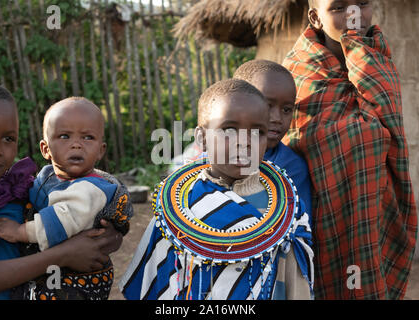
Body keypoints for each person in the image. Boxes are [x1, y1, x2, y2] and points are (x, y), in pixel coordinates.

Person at [119, 79, 313, 300]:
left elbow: (296, 282)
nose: (244, 142)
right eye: (229, 129)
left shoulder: (286, 205)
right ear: (202, 137)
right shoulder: (179, 206)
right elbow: (159, 277)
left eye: (257, 131)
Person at [281, 0, 418, 299]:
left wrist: (359, 52)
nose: (354, 15)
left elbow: (389, 134)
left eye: (363, 3)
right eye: (340, 7)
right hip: (320, 212)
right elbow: (295, 141)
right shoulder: (294, 74)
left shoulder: (378, 60)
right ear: (315, 18)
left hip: (374, 207)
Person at [0, 81, 123, 300]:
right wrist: (63, 255)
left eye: (8, 138)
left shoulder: (17, 190)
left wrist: (108, 234)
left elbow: (71, 212)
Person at [233, 59, 312, 227]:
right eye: (267, 106)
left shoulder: (292, 168)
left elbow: (301, 227)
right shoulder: (215, 160)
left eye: (286, 110)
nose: (277, 118)